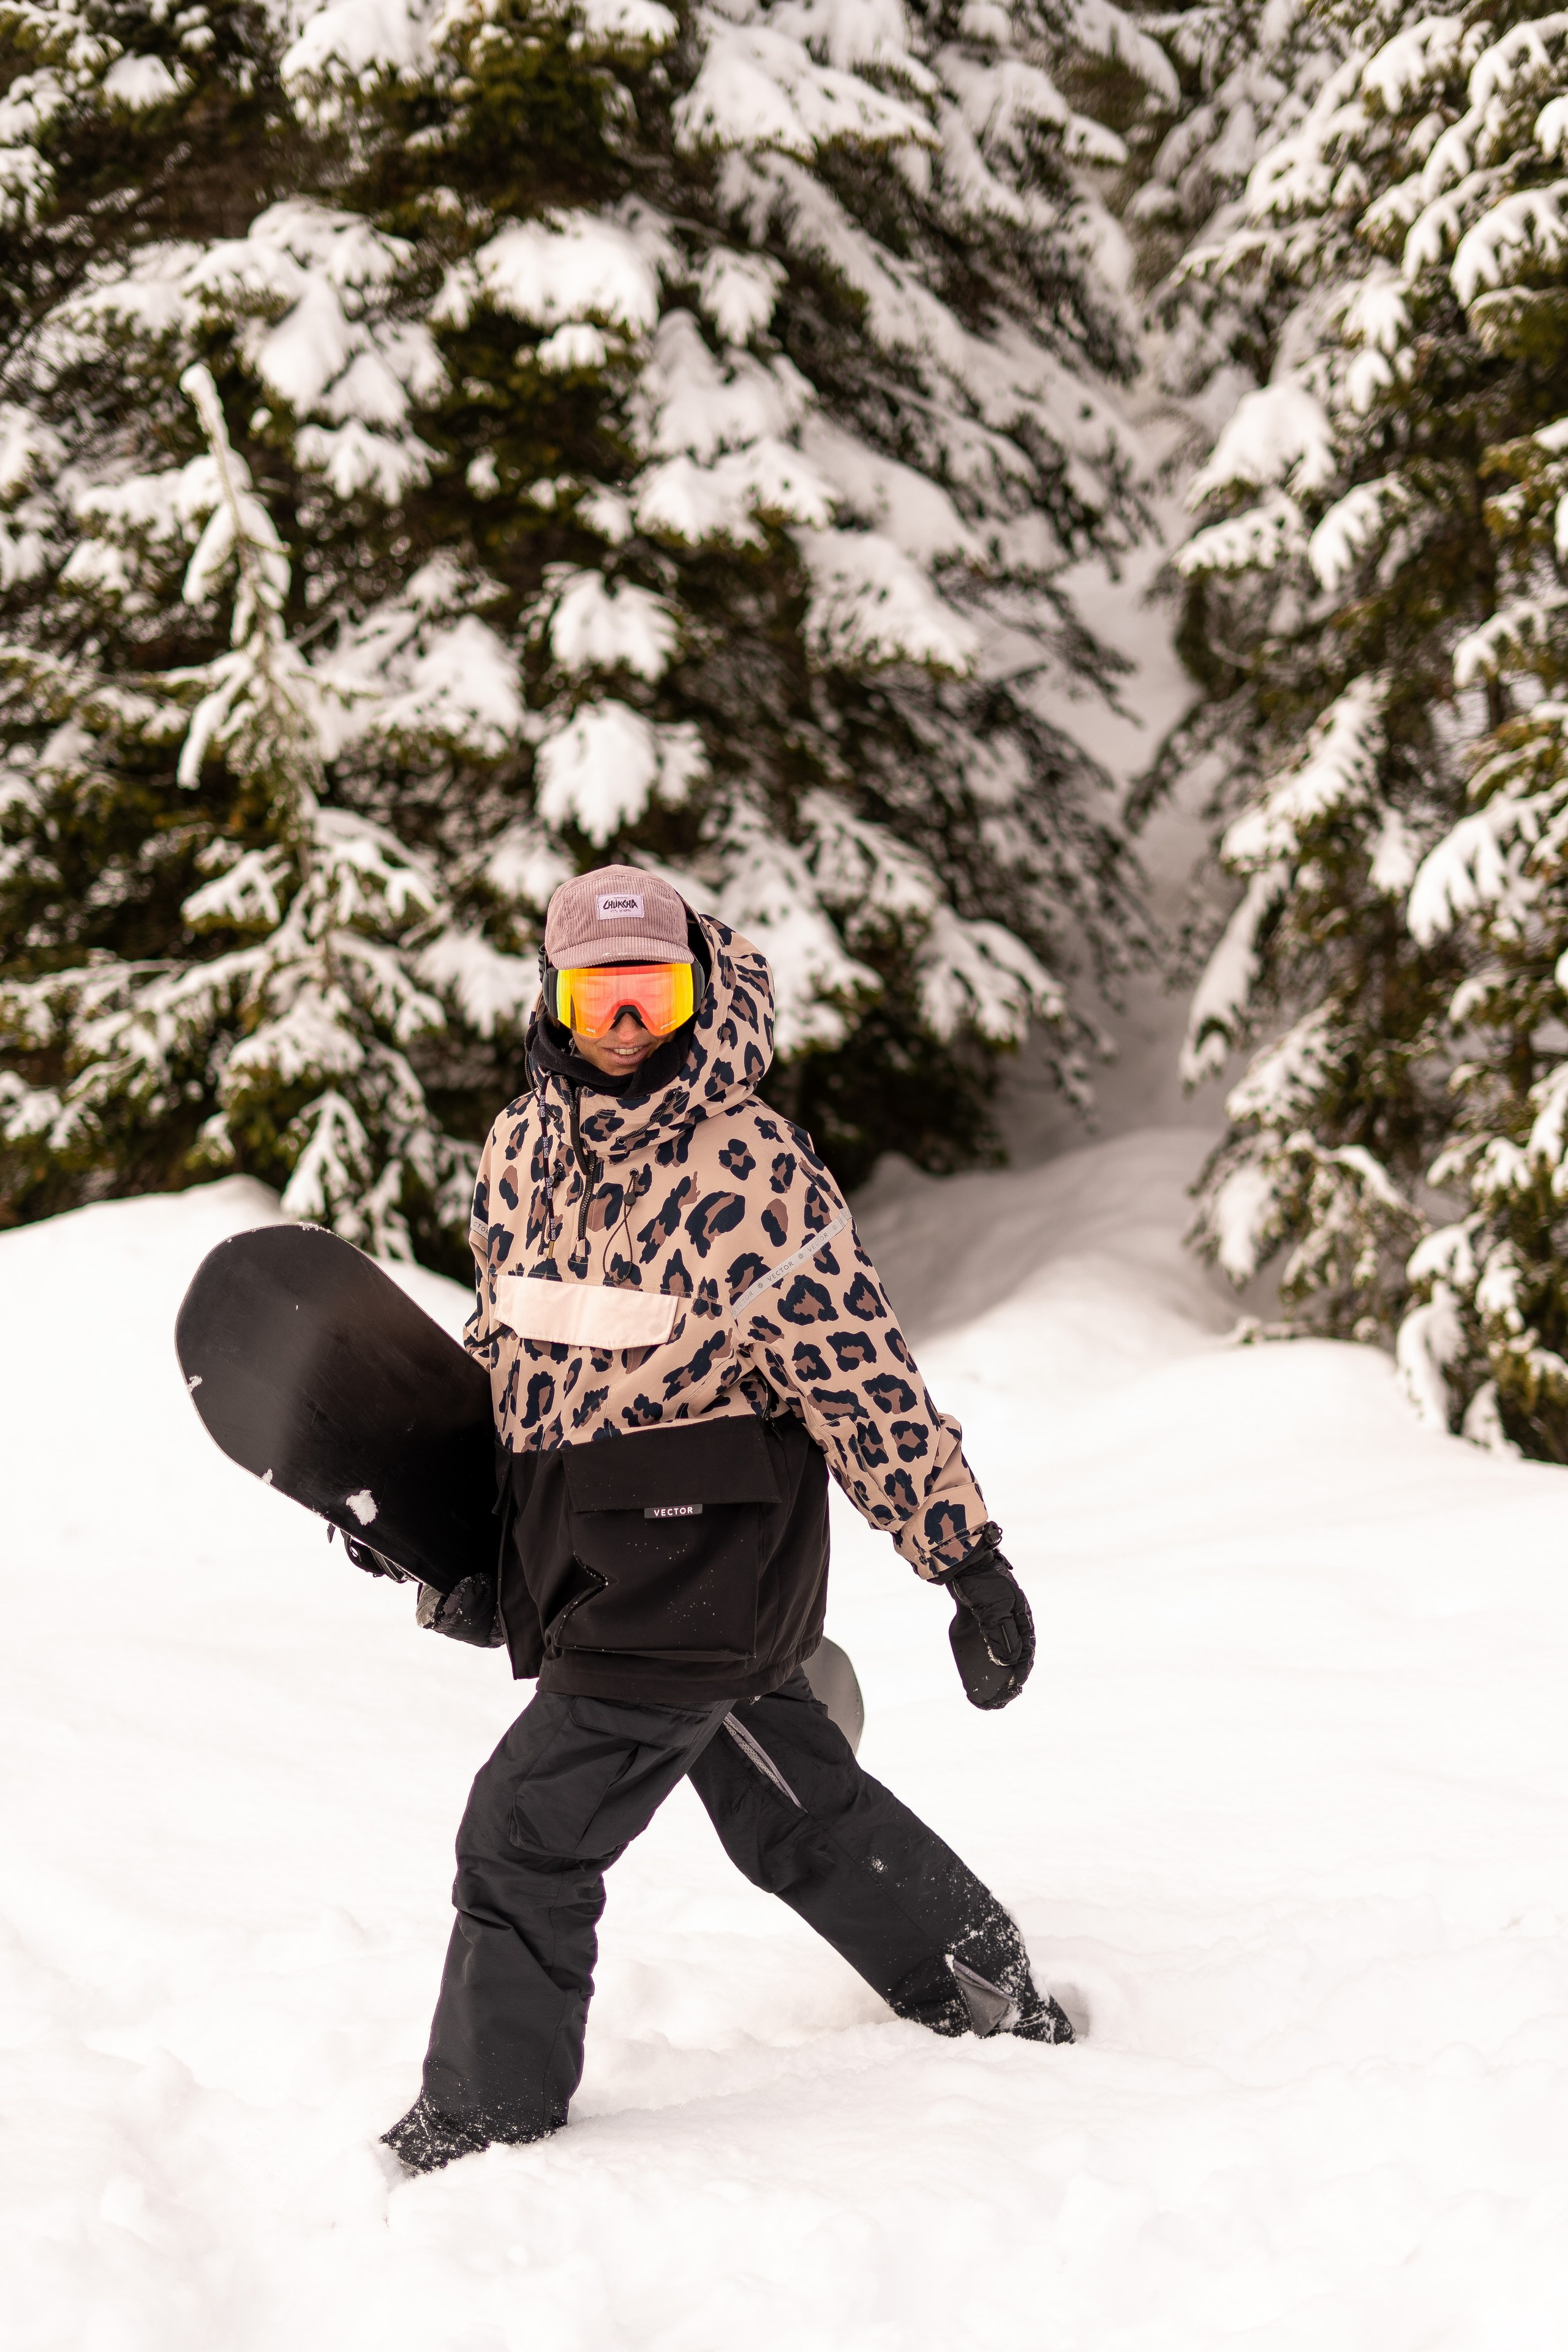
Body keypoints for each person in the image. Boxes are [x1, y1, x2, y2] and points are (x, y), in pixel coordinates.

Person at [382, 864, 1072, 2174]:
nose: (628, 1022)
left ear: (699, 990)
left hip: (700, 1564)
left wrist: (963, 1559)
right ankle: (976, 1982)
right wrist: (461, 1531)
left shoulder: (748, 1162)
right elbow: (513, 1353)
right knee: (786, 1806)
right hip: (591, 1561)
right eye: (601, 993)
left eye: (655, 991)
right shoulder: (522, 1147)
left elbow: (856, 1374)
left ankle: (482, 2120)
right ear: (555, 995)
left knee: (523, 1834)